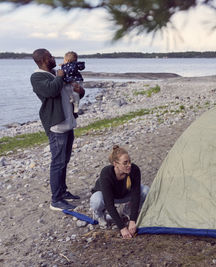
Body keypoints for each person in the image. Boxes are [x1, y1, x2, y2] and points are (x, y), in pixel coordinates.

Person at [30, 48, 85, 211]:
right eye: (50, 56)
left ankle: (63, 191)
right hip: (56, 125)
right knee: (58, 162)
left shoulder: (58, 73)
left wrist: (80, 91)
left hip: (68, 123)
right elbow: (51, 91)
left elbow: (73, 94)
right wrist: (60, 77)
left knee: (64, 161)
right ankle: (56, 200)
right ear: (42, 60)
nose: (53, 58)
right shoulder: (37, 77)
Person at [90, 145, 149, 239]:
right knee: (96, 200)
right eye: (125, 163)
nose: (129, 165)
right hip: (109, 197)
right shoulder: (106, 173)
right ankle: (100, 215)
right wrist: (122, 228)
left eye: (129, 161)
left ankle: (129, 211)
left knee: (145, 190)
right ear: (115, 164)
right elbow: (109, 204)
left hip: (125, 194)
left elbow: (135, 195)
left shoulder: (134, 170)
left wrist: (133, 220)